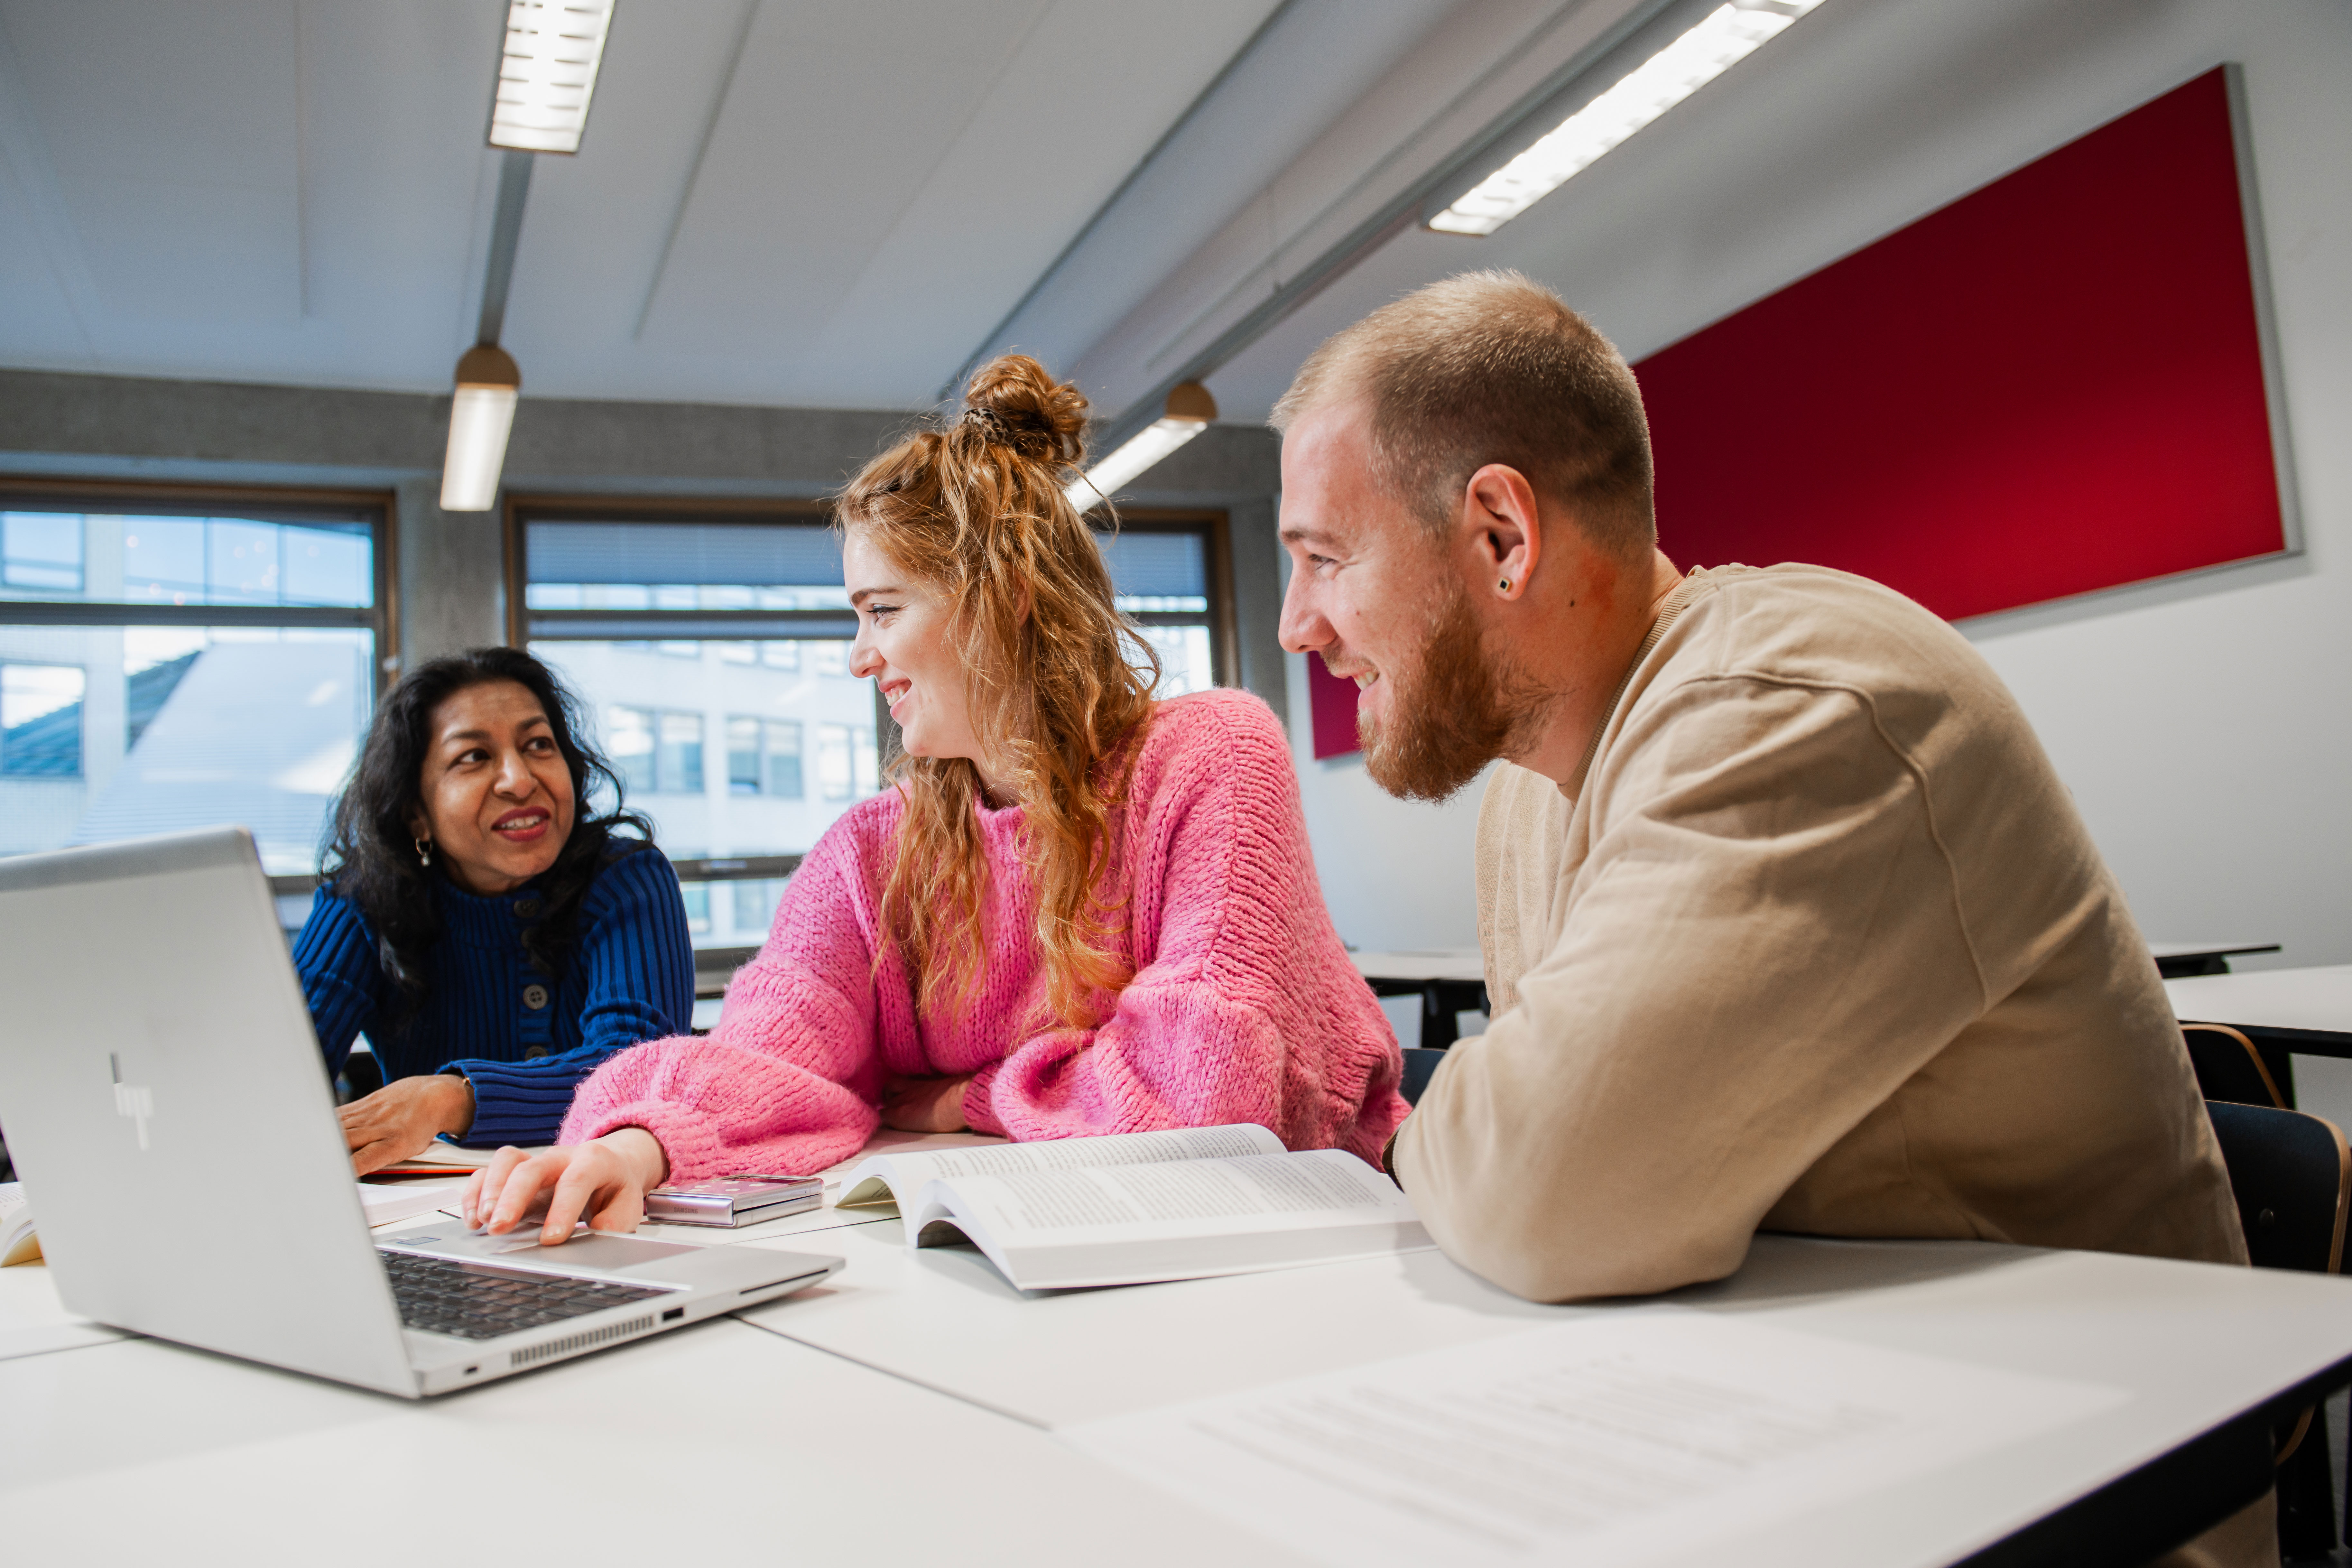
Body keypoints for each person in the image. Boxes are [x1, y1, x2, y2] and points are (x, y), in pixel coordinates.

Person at [1269, 270, 2264, 1567]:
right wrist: (1492, 1118)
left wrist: (1426, 1125)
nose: (1300, 627)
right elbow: (1549, 1172)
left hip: (2048, 1500)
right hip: (1794, 1430)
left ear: (1503, 537)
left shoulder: (1795, 705)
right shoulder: (1528, 796)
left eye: (1326, 560)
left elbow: (1546, 1195)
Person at [467, 355, 1408, 1240]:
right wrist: (638, 1146)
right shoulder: (871, 850)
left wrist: (970, 1098)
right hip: (1065, 1242)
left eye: (883, 610)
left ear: (1008, 598)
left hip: (1305, 1241)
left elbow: (1203, 1092)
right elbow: (770, 1050)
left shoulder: (1207, 754)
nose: (858, 655)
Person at [297, 647, 694, 1174]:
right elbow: (277, 1079)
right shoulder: (361, 901)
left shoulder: (626, 877)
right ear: (416, 813)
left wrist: (451, 1098)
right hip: (430, 1223)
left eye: (538, 745)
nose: (519, 779)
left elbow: (636, 1068)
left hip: (598, 1205)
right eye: (474, 757)